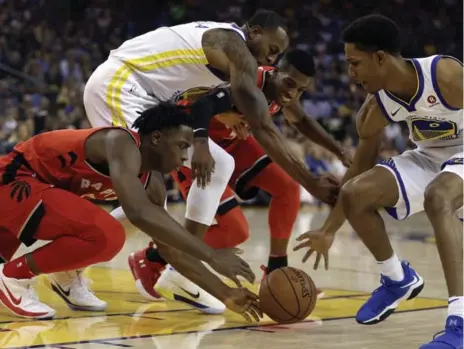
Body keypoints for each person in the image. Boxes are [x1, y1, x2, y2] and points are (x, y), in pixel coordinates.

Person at [81, 9, 340, 313]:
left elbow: (274, 119)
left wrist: (340, 153)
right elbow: (261, 126)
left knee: (220, 164)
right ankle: (70, 265)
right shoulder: (236, 49)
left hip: (150, 100)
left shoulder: (239, 59)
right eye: (272, 49)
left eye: (278, 54)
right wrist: (309, 180)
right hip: (122, 84)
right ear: (254, 31)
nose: (272, 58)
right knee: (150, 204)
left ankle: (180, 269)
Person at [0, 101, 261, 322]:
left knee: (104, 230)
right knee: (107, 234)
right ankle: (14, 277)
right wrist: (212, 255)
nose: (186, 156)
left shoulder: (152, 183)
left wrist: (225, 293)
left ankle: (65, 274)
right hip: (14, 179)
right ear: (156, 138)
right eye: (182, 145)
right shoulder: (121, 141)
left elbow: (170, 250)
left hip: (36, 194)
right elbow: (138, 212)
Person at [294, 15, 463, 348]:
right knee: (356, 194)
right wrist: (328, 230)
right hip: (430, 158)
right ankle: (396, 279)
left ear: (381, 58)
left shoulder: (444, 75)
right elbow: (358, 168)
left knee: (437, 197)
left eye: (355, 63)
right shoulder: (376, 109)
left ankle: (459, 323)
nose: (350, 73)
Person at [129, 49, 350, 303]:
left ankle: (277, 271)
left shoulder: (285, 92)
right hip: (197, 144)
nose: (293, 93)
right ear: (275, 71)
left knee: (288, 186)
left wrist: (338, 149)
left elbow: (302, 121)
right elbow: (197, 104)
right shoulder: (246, 79)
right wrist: (222, 113)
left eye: (300, 90)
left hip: (234, 144)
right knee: (234, 231)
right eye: (290, 84)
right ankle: (154, 257)